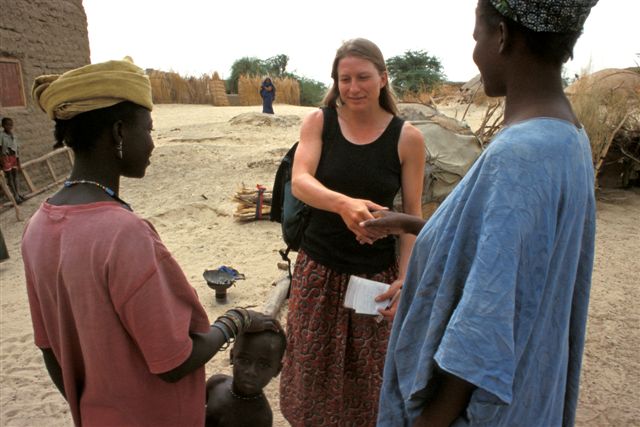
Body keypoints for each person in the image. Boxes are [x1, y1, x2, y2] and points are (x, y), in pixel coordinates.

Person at [371, 1, 599, 426]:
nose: (475, 52)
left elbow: (480, 335)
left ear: (503, 36)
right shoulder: (568, 136)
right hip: (531, 399)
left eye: (477, 36)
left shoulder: (519, 156)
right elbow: (509, 254)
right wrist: (412, 224)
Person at [23, 59, 279, 426]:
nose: (153, 143)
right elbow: (174, 362)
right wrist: (236, 319)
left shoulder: (37, 228)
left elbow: (50, 349)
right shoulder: (123, 234)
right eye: (148, 129)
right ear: (118, 133)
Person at [279, 38, 426, 426]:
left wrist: (405, 278)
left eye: (363, 77)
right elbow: (300, 181)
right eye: (345, 79)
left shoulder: (407, 137)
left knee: (368, 376)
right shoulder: (319, 123)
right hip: (318, 270)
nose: (353, 87)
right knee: (311, 366)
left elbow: (412, 215)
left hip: (374, 276)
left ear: (383, 78)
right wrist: (343, 204)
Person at [205, 323, 287, 427]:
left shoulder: (261, 418)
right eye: (244, 360)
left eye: (263, 365)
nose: (251, 372)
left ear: (277, 370)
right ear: (232, 357)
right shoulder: (216, 384)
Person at [1, 117, 24, 203]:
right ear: (3, 125)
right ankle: (15, 196)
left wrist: (19, 162)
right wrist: (2, 161)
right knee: (9, 177)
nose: (9, 126)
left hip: (14, 157)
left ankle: (18, 194)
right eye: (7, 124)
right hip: (6, 158)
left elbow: (16, 149)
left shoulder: (14, 136)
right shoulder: (1, 136)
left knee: (15, 176)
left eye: (11, 124)